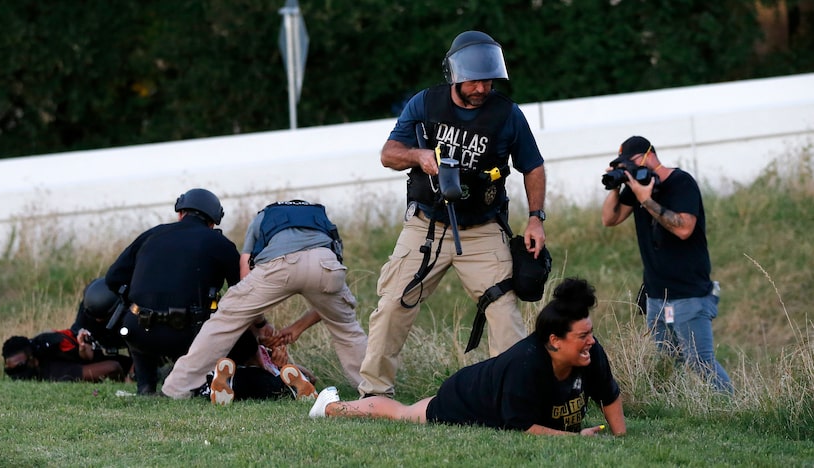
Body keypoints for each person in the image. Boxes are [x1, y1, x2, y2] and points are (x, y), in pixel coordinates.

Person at [358, 30, 547, 398]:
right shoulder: (425, 104)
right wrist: (418, 156)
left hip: (483, 227)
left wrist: (536, 217)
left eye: (488, 80)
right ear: (455, 76)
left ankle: (514, 397)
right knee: (394, 304)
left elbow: (533, 167)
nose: (481, 88)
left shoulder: (508, 114)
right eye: (474, 80)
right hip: (426, 224)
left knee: (503, 306)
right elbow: (388, 153)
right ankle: (374, 394)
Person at [310, 278, 627, 437]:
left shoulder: (591, 354)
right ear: (555, 341)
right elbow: (521, 427)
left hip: (488, 383)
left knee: (411, 408)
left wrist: (620, 437)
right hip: (466, 398)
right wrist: (576, 439)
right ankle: (330, 408)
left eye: (590, 333)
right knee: (404, 414)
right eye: (582, 337)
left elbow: (608, 395)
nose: (591, 342)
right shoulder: (526, 364)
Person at [161, 200, 368, 400]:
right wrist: (296, 328)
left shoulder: (262, 217)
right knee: (347, 328)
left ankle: (178, 387)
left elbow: (244, 274)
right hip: (326, 264)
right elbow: (332, 297)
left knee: (226, 318)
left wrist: (259, 324)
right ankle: (373, 389)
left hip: (279, 264)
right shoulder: (322, 219)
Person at [601, 135, 732, 393]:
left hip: (688, 293)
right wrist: (616, 185)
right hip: (656, 296)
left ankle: (736, 408)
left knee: (700, 362)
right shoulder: (638, 186)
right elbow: (609, 219)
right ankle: (680, 408)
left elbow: (684, 229)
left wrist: (646, 200)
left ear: (648, 155)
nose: (628, 168)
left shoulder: (681, 183)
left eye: (631, 162)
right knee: (667, 365)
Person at [104, 188, 244, 395]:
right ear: (213, 221)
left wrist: (136, 299)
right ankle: (200, 384)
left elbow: (112, 278)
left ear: (181, 213)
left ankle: (146, 386)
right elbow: (243, 290)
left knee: (135, 319)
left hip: (138, 331)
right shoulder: (220, 243)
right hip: (189, 335)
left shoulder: (151, 235)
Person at [2, 328, 126, 382]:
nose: (16, 374)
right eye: (10, 370)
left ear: (33, 360)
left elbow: (113, 367)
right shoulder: (43, 346)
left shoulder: (55, 371)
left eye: (20, 366)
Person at [69, 277, 133, 374]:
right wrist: (82, 349)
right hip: (101, 347)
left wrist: (133, 375)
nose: (98, 321)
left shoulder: (130, 309)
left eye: (102, 319)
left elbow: (143, 347)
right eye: (96, 318)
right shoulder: (88, 308)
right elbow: (77, 333)